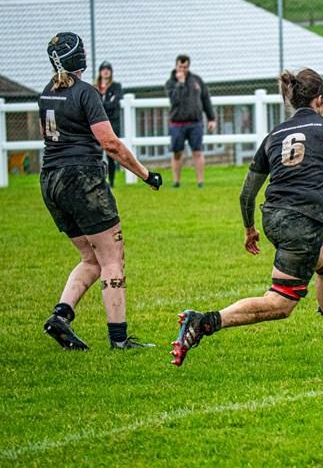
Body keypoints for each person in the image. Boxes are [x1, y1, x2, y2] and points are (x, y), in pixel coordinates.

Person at [170, 68, 323, 367]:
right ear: (320, 100)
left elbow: (246, 194)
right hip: (301, 222)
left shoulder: (275, 134)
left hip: (272, 218)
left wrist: (250, 229)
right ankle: (204, 322)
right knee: (280, 304)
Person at [39, 32, 163, 351]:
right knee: (112, 259)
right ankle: (119, 340)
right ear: (79, 58)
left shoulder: (47, 92)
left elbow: (48, 136)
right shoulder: (85, 93)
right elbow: (110, 144)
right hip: (81, 181)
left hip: (50, 182)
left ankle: (61, 316)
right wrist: (146, 175)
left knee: (91, 258)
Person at [164, 54, 216, 188]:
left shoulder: (196, 80)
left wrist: (211, 118)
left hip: (195, 123)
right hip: (177, 124)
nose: (182, 69)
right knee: (177, 153)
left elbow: (205, 99)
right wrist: (180, 83)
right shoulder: (170, 83)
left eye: (185, 67)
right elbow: (174, 100)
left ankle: (200, 182)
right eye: (180, 66)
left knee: (198, 152)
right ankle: (176, 182)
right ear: (176, 66)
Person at [93, 61, 123, 187]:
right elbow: (94, 106)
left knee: (111, 154)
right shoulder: (94, 88)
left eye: (108, 69)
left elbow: (114, 104)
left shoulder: (116, 86)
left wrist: (103, 105)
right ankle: (98, 180)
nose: (106, 72)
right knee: (97, 154)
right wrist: (107, 104)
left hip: (112, 124)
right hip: (98, 124)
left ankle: (112, 181)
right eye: (103, 69)